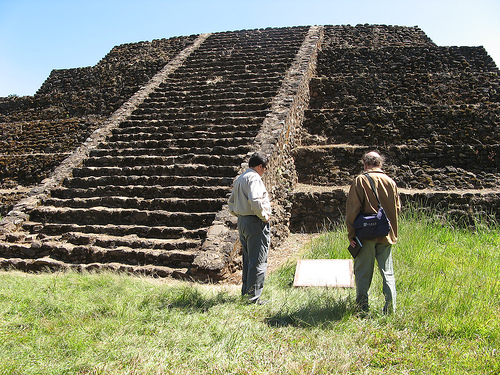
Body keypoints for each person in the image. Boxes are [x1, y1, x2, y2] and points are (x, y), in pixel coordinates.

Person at [345, 151, 400, 314]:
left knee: (363, 274)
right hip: (385, 233)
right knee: (388, 273)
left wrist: (351, 234)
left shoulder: (360, 181)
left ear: (365, 164)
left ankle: (362, 309)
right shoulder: (391, 182)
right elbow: (397, 209)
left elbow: (352, 210)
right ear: (380, 164)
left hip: (365, 235)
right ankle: (391, 310)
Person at [228, 152, 272, 304]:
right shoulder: (254, 177)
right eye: (264, 168)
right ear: (260, 166)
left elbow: (231, 203)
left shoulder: (240, 178)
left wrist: (240, 213)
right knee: (258, 260)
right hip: (255, 222)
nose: (264, 172)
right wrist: (264, 216)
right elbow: (255, 199)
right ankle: (253, 299)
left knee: (248, 260)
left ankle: (246, 293)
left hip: (243, 221)